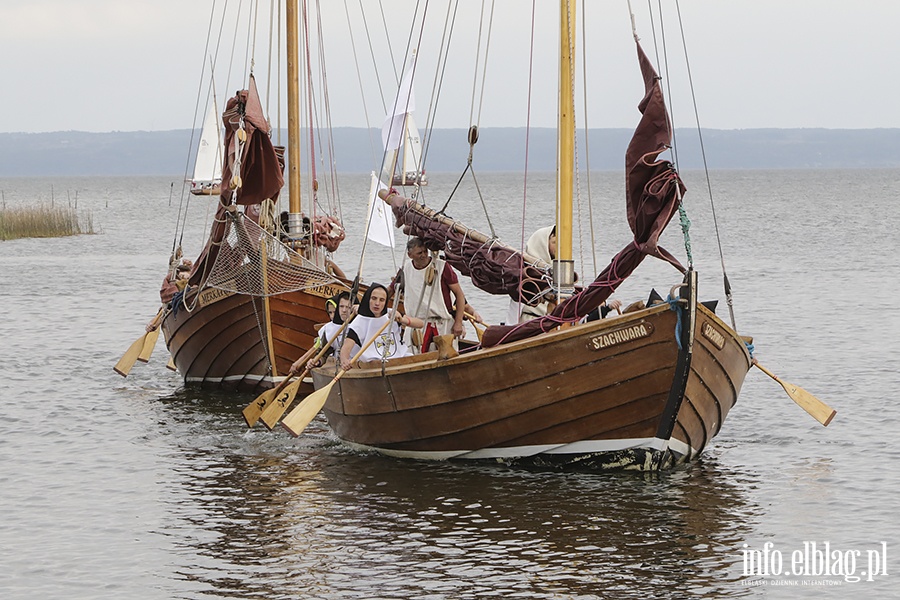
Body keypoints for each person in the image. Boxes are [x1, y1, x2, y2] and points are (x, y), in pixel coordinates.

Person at [393, 238, 468, 351]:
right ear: (410, 255)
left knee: (446, 356)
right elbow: (390, 290)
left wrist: (458, 322)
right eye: (419, 253)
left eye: (425, 251)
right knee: (414, 356)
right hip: (416, 325)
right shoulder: (406, 270)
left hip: (442, 324)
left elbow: (459, 295)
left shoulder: (441, 267)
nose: (423, 255)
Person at [339, 284, 423, 371]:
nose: (377, 303)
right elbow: (346, 347)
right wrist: (344, 360)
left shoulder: (391, 314)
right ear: (368, 299)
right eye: (374, 298)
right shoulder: (360, 322)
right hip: (374, 365)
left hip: (400, 359)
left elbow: (420, 324)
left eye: (382, 300)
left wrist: (402, 320)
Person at [290, 292, 353, 374]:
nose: (344, 310)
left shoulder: (359, 325)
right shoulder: (328, 330)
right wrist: (317, 362)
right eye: (341, 307)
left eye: (348, 307)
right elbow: (322, 352)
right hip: (338, 368)